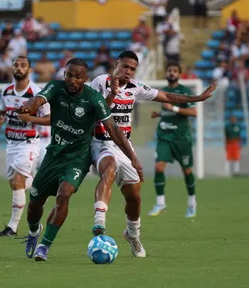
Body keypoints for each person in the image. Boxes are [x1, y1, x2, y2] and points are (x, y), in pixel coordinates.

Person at [90, 52, 216, 257]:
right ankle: (99, 221)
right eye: (125, 67)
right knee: (109, 168)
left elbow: (167, 96)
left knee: (135, 198)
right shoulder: (100, 82)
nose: (128, 72)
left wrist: (197, 98)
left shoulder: (135, 88)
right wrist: (112, 93)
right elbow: (96, 111)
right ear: (116, 64)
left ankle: (133, 235)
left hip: (124, 146)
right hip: (101, 142)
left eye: (132, 69)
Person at [18, 58, 144, 262]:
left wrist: (133, 159)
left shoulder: (94, 99)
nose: (72, 80)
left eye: (77, 77)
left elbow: (113, 129)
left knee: (64, 194)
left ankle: (44, 246)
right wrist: (28, 105)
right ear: (64, 74)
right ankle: (34, 232)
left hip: (78, 157)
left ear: (85, 79)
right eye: (69, 75)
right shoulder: (55, 87)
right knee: (34, 203)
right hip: (54, 154)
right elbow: (38, 100)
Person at [0, 56, 51, 237]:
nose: (19, 68)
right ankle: (40, 184)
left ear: (29, 70)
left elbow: (51, 118)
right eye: (16, 65)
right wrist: (1, 118)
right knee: (15, 184)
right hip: (11, 144)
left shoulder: (37, 93)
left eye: (23, 65)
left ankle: (13, 227)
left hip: (29, 144)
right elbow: (3, 110)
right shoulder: (6, 92)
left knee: (18, 181)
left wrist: (31, 119)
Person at [148, 63, 212, 218]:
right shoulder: (162, 92)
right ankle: (160, 203)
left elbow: (193, 112)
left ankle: (192, 203)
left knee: (187, 170)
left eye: (174, 71)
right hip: (164, 136)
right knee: (158, 167)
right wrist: (160, 114)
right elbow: (168, 111)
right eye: (169, 70)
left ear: (179, 74)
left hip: (181, 138)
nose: (171, 73)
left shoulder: (185, 91)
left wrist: (173, 109)